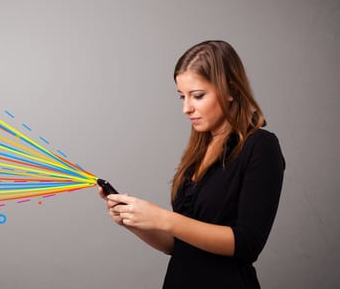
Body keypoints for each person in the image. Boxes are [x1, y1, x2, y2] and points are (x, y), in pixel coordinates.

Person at [99, 40, 285, 288]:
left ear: (230, 89)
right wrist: (135, 222)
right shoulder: (198, 149)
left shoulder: (261, 146)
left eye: (197, 95)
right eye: (181, 97)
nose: (187, 108)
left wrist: (163, 218)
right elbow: (179, 245)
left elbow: (247, 244)